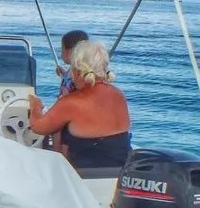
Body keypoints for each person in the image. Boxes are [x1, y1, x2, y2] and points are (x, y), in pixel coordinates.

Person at [27, 40, 132, 170]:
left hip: (86, 175)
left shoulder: (71, 102)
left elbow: (38, 127)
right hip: (120, 171)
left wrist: (35, 106)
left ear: (77, 71)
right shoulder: (118, 94)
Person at [54, 29, 89, 97]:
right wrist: (64, 74)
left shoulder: (78, 77)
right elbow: (69, 79)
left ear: (70, 52)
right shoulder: (77, 70)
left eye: (62, 48)